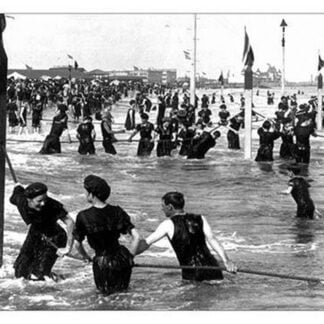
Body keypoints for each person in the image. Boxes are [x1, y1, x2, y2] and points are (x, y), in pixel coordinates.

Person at [135, 192, 237, 281]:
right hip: (213, 269)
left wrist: (129, 255)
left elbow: (145, 243)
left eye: (163, 206)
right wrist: (227, 261)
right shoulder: (200, 218)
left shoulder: (168, 224)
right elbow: (212, 240)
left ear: (170, 207)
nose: (162, 209)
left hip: (193, 274)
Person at [73, 175, 140, 295]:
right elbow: (137, 237)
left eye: (86, 192)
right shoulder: (117, 211)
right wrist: (130, 256)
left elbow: (77, 244)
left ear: (91, 194)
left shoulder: (83, 216)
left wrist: (86, 257)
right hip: (122, 258)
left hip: (102, 261)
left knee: (105, 297)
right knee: (123, 294)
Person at [9, 182, 74, 280]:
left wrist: (68, 247)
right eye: (39, 201)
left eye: (45, 199)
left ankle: (51, 279)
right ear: (29, 200)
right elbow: (15, 195)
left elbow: (70, 222)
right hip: (35, 233)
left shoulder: (52, 205)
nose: (43, 203)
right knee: (20, 273)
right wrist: (18, 187)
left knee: (38, 276)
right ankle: (53, 275)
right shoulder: (21, 201)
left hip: (54, 237)